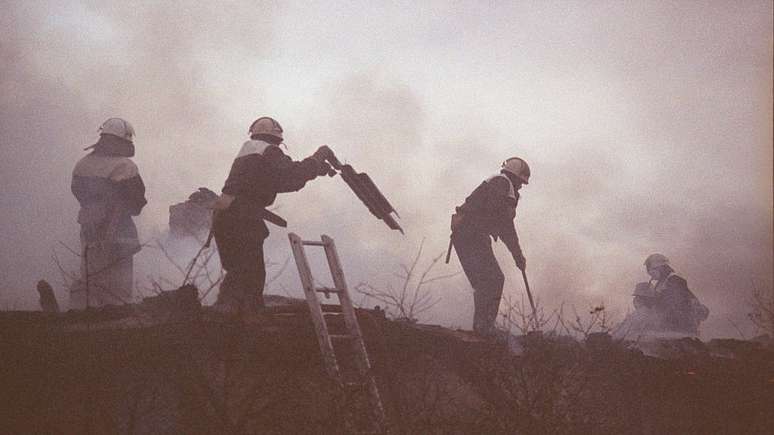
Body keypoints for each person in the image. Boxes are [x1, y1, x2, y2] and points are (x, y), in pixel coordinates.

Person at [211, 116, 332, 314]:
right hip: (242, 217)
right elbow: (291, 175)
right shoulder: (267, 150)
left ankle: (229, 315)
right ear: (274, 139)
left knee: (238, 272)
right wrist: (315, 161)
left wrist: (314, 171)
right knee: (250, 274)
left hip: (226, 217)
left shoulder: (250, 151)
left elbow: (280, 181)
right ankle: (243, 321)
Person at [71, 117, 147, 308]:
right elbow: (136, 202)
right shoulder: (125, 166)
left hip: (89, 230)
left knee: (91, 280)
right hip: (119, 232)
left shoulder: (82, 164)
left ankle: (89, 322)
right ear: (124, 141)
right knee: (118, 290)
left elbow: (78, 193)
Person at [451, 157, 530, 336]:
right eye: (521, 182)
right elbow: (505, 225)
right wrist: (517, 255)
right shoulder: (502, 184)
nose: (521, 187)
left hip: (467, 235)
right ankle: (484, 328)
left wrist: (517, 254)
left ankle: (482, 327)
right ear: (515, 177)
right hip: (471, 234)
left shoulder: (499, 184)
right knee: (493, 279)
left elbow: (502, 223)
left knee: (485, 281)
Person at [640, 253, 709, 334]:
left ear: (661, 268)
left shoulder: (675, 280)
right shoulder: (662, 282)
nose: (652, 277)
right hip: (670, 322)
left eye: (652, 273)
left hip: (681, 325)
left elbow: (674, 304)